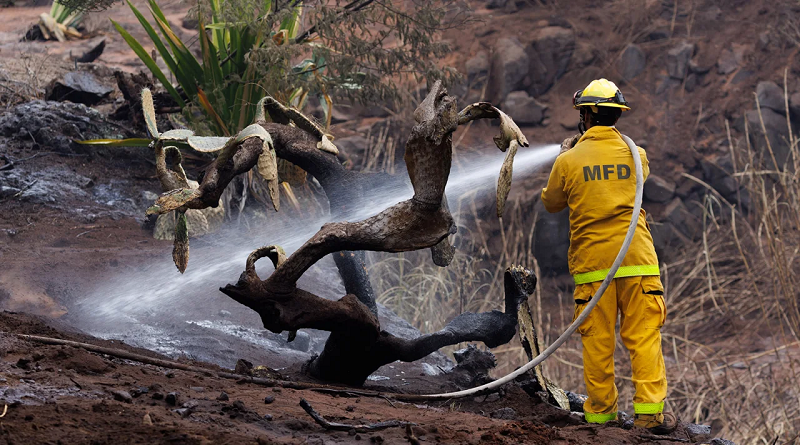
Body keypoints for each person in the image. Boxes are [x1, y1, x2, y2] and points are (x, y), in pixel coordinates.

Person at [540, 78, 677, 434]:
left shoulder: (568, 161)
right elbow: (636, 178)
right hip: (638, 261)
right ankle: (650, 417)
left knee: (598, 343)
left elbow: (551, 202)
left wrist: (567, 155)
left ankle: (601, 418)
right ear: (617, 115)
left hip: (593, 267)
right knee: (644, 337)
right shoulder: (636, 155)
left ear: (585, 115)